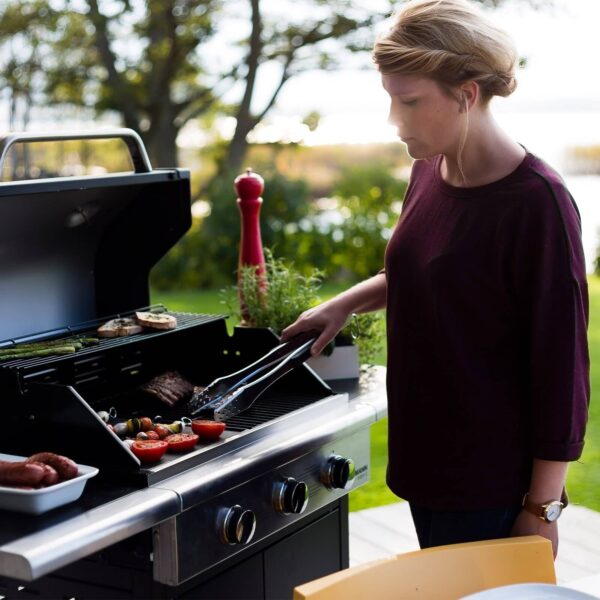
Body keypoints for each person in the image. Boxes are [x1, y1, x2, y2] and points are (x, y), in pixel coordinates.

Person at [281, 0, 589, 559]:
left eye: (409, 101)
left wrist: (542, 510)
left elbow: (561, 369)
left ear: (466, 95)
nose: (395, 120)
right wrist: (346, 303)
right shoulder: (431, 167)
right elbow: (434, 269)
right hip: (430, 463)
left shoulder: (537, 205)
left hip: (492, 484)